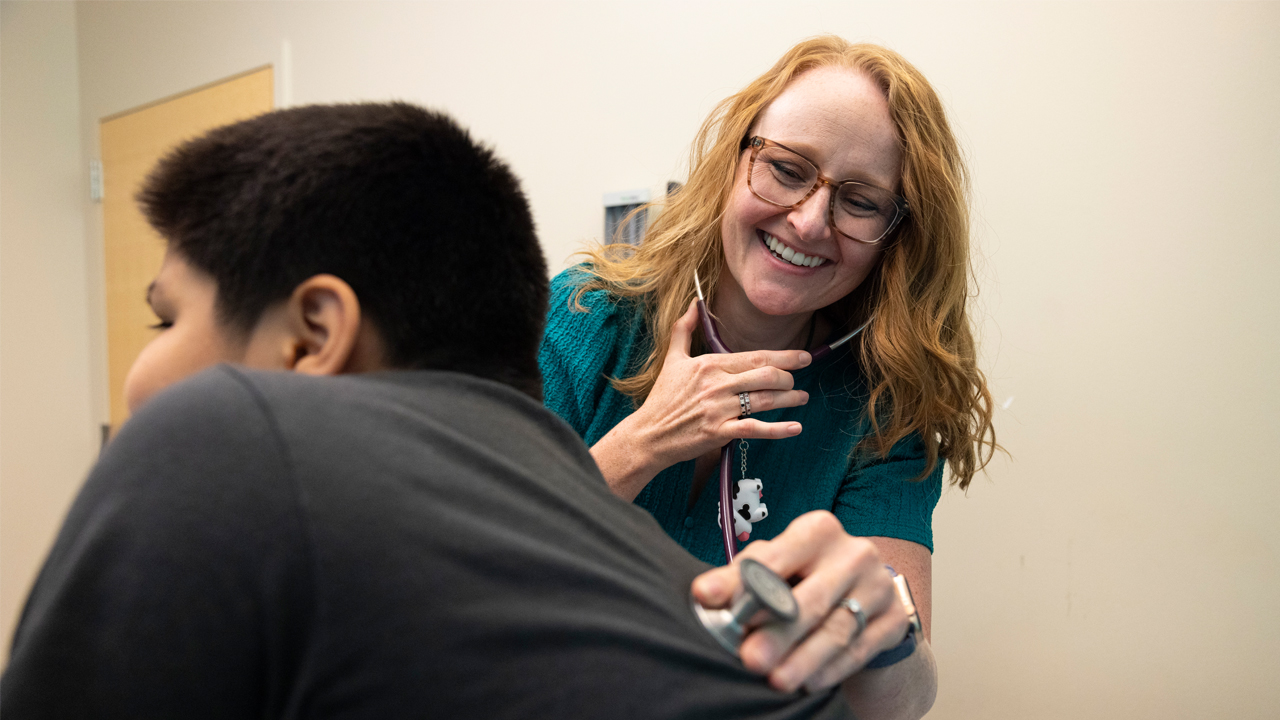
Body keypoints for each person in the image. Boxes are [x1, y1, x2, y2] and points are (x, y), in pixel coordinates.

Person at [0, 102, 876, 719]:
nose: (139, 380)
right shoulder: (692, 613)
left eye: (167, 317)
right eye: (787, 171)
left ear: (314, 336)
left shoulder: (214, 432)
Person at [540, 36, 997, 718]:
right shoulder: (585, 318)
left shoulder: (884, 407)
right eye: (786, 169)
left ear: (896, 238)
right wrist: (644, 441)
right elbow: (457, 571)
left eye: (861, 203)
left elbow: (898, 705)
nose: (810, 221)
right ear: (735, 160)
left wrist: (886, 631)